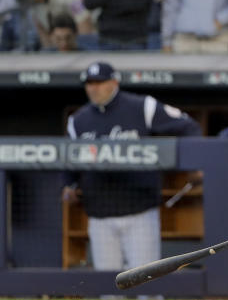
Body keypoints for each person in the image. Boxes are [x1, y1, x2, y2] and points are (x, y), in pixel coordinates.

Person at [63, 61, 201, 272]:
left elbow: (189, 126)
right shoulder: (78, 120)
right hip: (99, 213)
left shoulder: (142, 106)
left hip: (140, 211)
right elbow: (67, 160)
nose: (93, 88)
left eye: (99, 82)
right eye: (89, 83)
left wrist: (193, 165)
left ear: (114, 82)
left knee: (146, 282)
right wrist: (68, 185)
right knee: (107, 287)